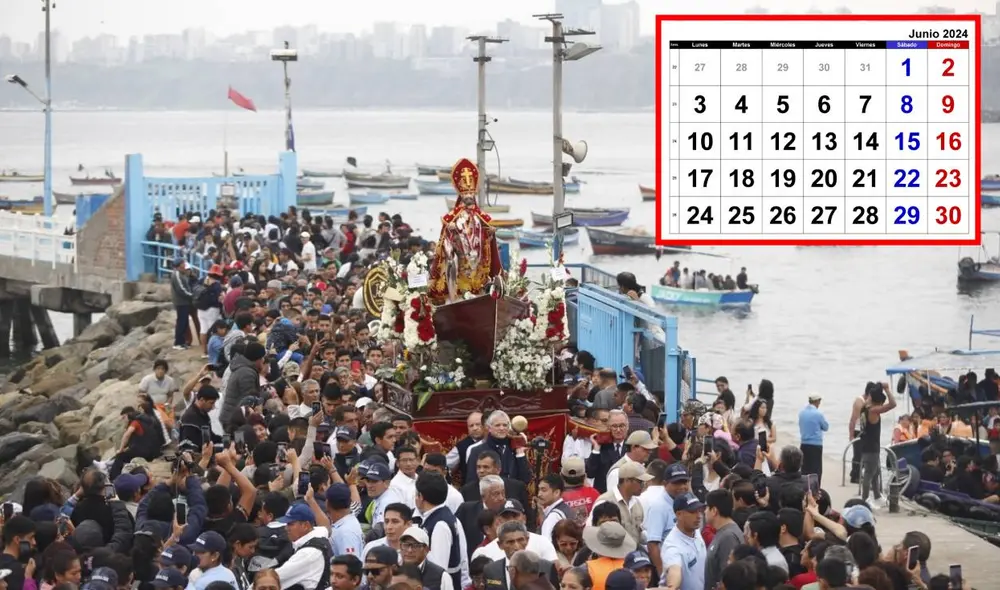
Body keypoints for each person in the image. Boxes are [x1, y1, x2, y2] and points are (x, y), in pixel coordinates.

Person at [427, 159, 502, 303]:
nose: (468, 196)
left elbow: (485, 234)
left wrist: (490, 233)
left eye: (470, 194)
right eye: (465, 194)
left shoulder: (480, 216)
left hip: (478, 260)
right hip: (461, 260)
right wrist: (450, 230)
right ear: (460, 195)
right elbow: (445, 243)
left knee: (479, 283)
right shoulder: (452, 218)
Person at [275, 502, 331, 590]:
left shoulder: (308, 552)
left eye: (290, 524)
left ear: (305, 525)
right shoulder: (318, 535)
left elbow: (275, 578)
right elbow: (325, 527)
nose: (286, 528)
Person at [859, 382, 896, 508]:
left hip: (866, 445)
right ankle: (864, 500)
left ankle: (877, 496)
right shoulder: (874, 411)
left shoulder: (865, 406)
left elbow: (871, 395)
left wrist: (878, 387)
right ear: (878, 402)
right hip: (871, 448)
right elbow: (893, 404)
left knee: (876, 473)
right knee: (869, 473)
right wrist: (887, 389)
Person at [660, 493, 707, 590]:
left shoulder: (695, 529)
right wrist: (673, 586)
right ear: (679, 514)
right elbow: (674, 570)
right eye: (693, 512)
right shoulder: (673, 546)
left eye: (700, 511)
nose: (699, 516)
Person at [704, 489, 742, 590]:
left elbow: (728, 579)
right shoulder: (723, 532)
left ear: (714, 511)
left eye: (707, 507)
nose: (704, 511)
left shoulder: (728, 537)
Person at [798, 394, 828, 486]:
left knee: (805, 468)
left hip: (804, 444)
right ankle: (815, 489)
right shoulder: (818, 414)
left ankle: (804, 487)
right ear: (817, 401)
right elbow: (826, 427)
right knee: (816, 469)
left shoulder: (801, 413)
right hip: (816, 445)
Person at [0, 515, 36, 590]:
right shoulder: (19, 571)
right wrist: (28, 577)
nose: (34, 542)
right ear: (17, 539)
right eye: (31, 538)